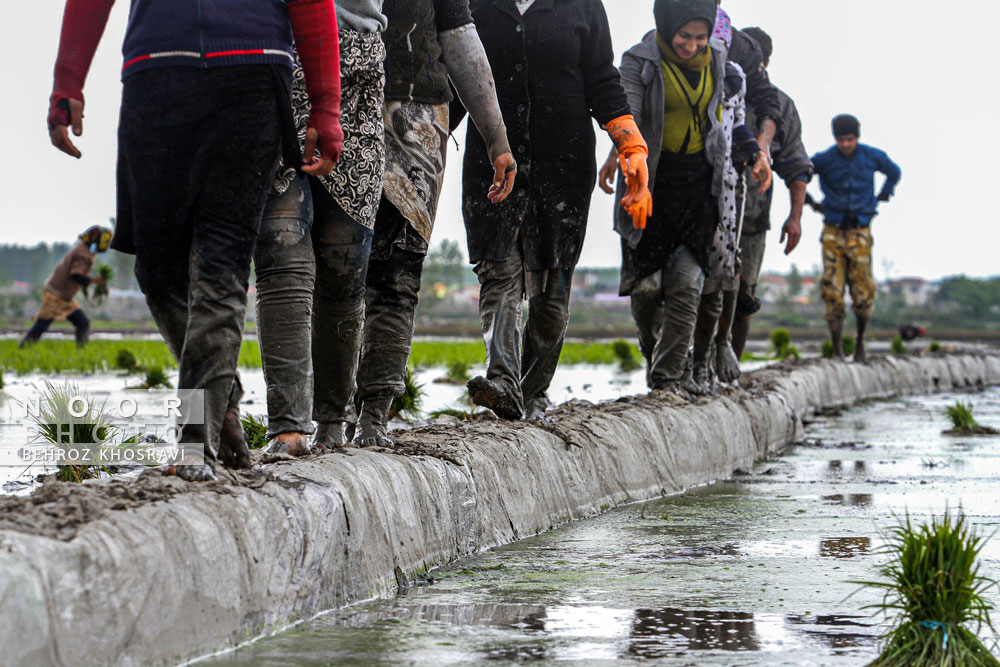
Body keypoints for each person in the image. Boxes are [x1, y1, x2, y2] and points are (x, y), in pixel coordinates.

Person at [47, 0, 344, 480]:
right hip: (157, 74)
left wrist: (326, 106)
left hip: (252, 74)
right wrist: (67, 80)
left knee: (220, 266)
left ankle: (193, 447)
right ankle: (218, 397)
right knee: (157, 271)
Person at [461, 0, 652, 422]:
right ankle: (504, 384)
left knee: (552, 290)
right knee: (499, 271)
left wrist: (630, 144)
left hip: (563, 166)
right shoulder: (475, 4)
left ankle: (532, 393)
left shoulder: (581, 6)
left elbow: (602, 80)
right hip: (490, 160)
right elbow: (455, 74)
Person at [351, 0, 517, 447]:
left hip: (416, 116)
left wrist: (496, 139)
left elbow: (460, 36)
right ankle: (324, 417)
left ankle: (373, 414)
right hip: (339, 100)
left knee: (397, 269)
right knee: (335, 265)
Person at [603, 0, 765, 392]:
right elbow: (627, 113)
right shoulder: (639, 61)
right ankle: (650, 351)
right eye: (683, 37)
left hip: (699, 184)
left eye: (700, 38)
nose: (691, 46)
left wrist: (754, 153)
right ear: (665, 26)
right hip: (649, 181)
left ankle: (666, 379)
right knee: (646, 288)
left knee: (688, 284)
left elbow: (729, 118)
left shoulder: (719, 60)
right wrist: (621, 156)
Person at [254, 3, 388, 456]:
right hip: (273, 58)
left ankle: (333, 419)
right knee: (280, 257)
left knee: (344, 266)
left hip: (358, 78)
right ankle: (288, 427)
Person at [721, 26, 813, 363]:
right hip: (708, 209)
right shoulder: (715, 86)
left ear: (764, 63)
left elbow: (795, 163)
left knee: (743, 294)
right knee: (700, 289)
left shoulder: (780, 106)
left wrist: (796, 217)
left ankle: (730, 368)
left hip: (753, 216)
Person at [807, 114, 901, 363]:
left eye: (849, 139)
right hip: (833, 229)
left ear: (857, 137)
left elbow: (894, 172)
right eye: (841, 140)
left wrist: (883, 195)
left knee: (862, 289)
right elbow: (800, 173)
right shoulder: (825, 159)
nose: (846, 144)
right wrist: (811, 203)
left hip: (860, 230)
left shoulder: (871, 156)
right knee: (832, 289)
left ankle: (860, 343)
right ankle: (837, 349)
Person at [19, 226, 112, 349]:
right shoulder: (82, 254)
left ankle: (81, 352)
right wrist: (95, 281)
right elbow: (75, 275)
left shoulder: (84, 251)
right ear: (95, 240)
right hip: (55, 295)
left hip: (64, 297)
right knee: (42, 325)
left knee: (83, 323)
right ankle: (23, 348)